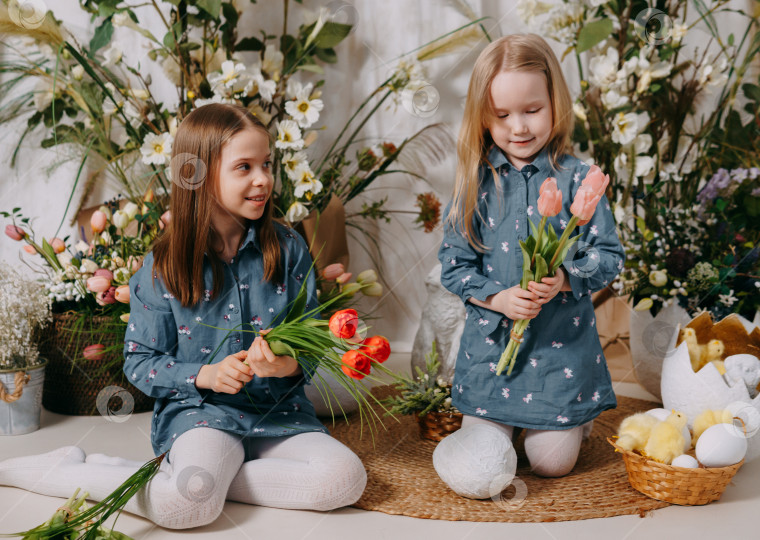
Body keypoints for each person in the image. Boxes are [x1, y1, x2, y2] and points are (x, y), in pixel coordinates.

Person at [0, 103, 366, 528]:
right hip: (201, 412)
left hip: (279, 412)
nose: (263, 179)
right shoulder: (162, 266)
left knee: (345, 481)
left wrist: (287, 366)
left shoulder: (289, 248)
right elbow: (139, 363)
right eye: (244, 167)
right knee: (188, 507)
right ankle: (64, 471)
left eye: (267, 164)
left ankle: (199, 477)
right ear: (201, 176)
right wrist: (205, 375)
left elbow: (313, 342)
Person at [436, 34, 625, 496]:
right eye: (501, 115)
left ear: (555, 103)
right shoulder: (473, 184)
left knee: (552, 466)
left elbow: (609, 257)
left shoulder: (580, 179)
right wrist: (498, 298)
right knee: (483, 458)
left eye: (532, 110)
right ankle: (496, 426)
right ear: (483, 115)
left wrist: (565, 277)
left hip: (557, 353)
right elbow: (454, 267)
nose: (518, 127)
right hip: (492, 356)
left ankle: (565, 423)